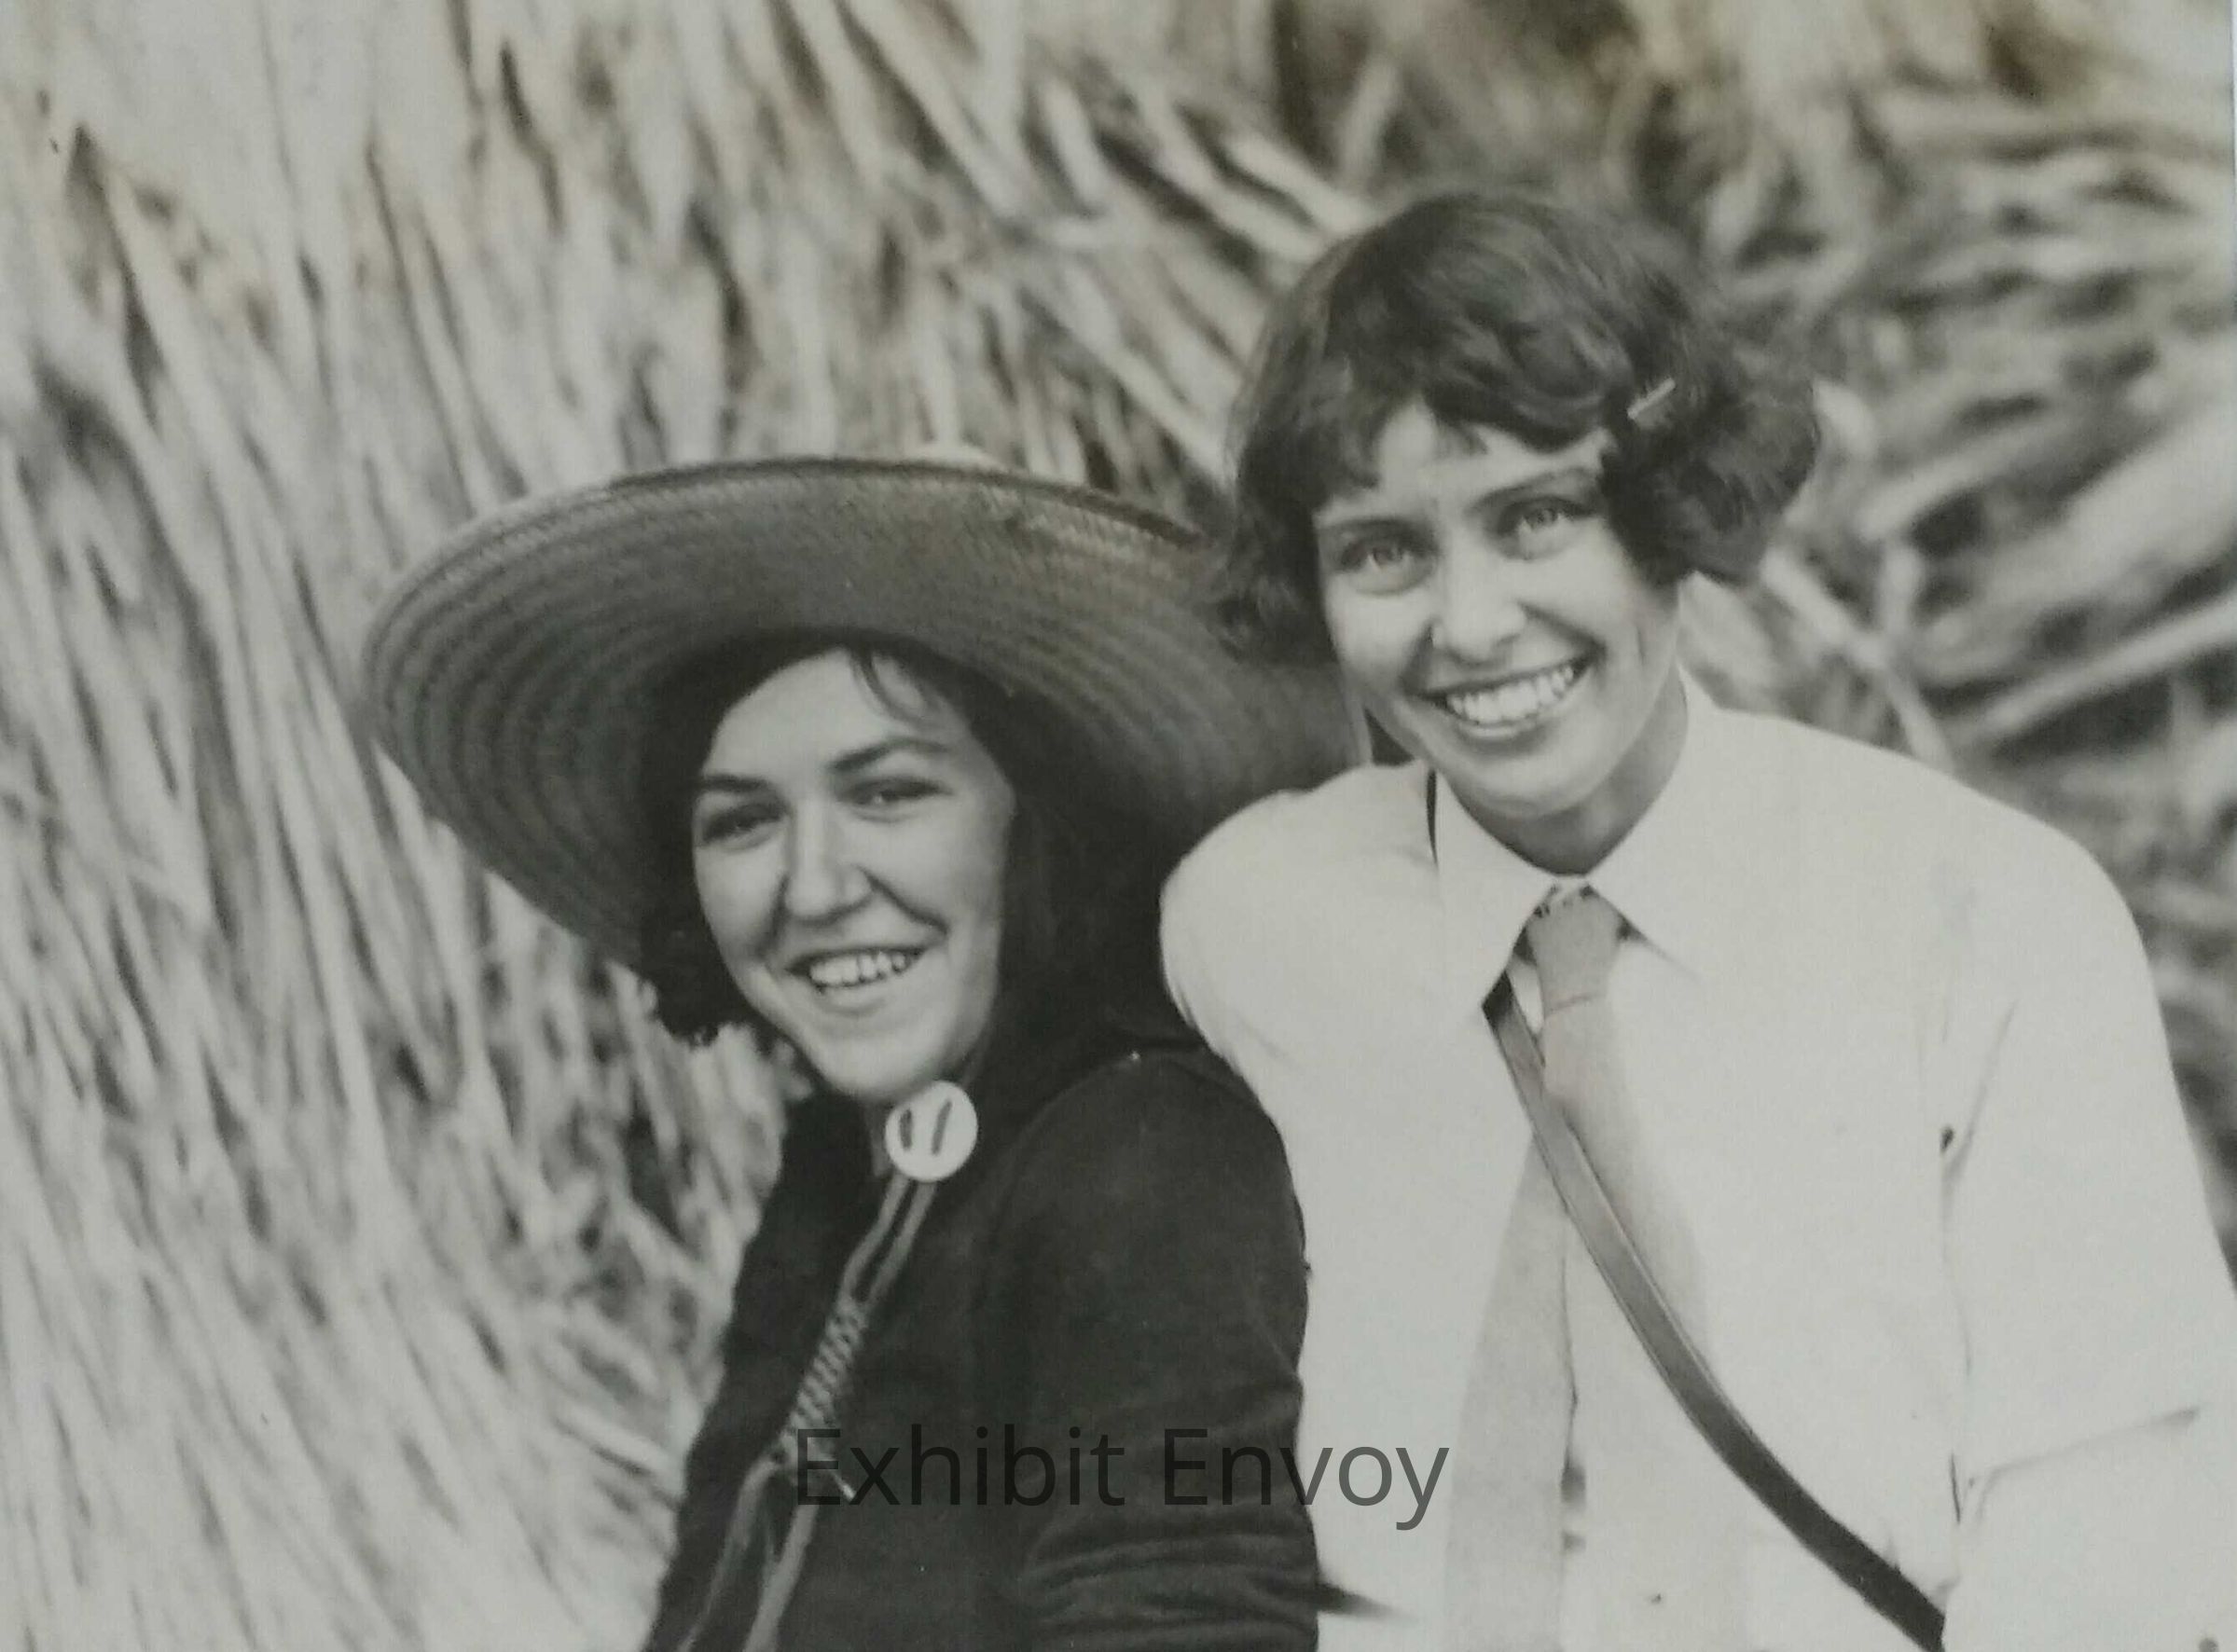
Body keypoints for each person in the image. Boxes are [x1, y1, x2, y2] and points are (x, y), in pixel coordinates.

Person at [1161, 188, 2237, 1651]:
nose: (1468, 625)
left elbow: (2099, 1539)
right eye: (1381, 551)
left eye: (1535, 517)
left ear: (1671, 509)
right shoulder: (1245, 924)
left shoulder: (1984, 921)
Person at [362, 457, 1353, 1651]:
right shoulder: (842, 1165)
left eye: (886, 793)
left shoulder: (1141, 1155)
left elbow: (1183, 1620)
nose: (815, 887)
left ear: (1036, 818)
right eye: (742, 820)